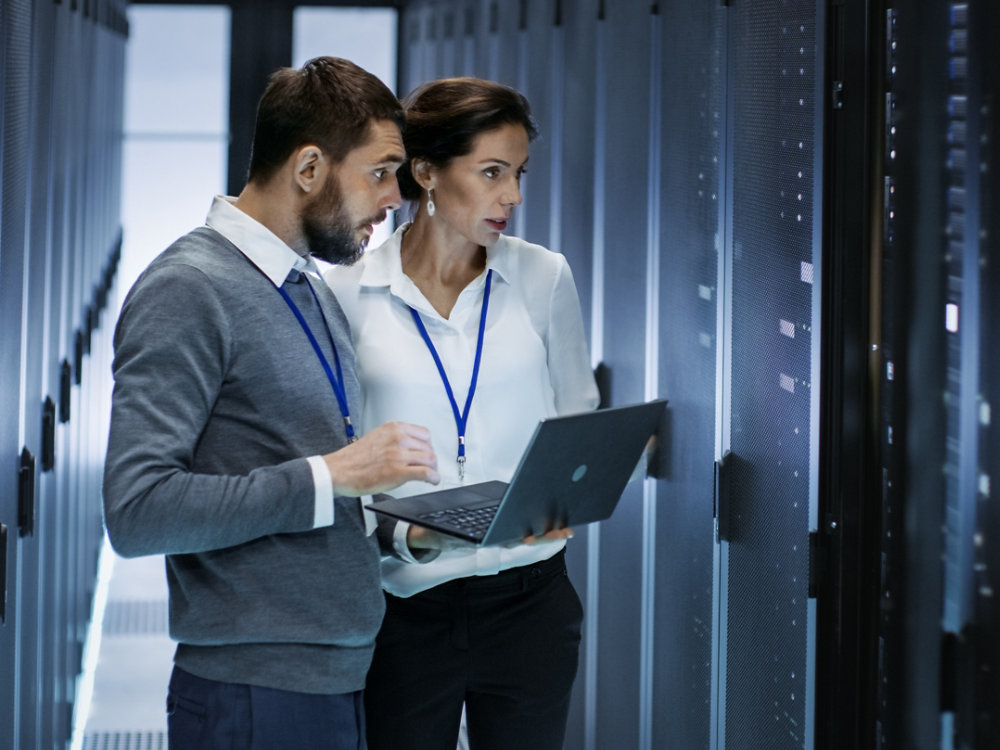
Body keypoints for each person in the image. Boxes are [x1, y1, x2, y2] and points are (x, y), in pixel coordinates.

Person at [102, 57, 441, 750]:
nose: (395, 198)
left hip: (333, 677)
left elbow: (295, 475)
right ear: (309, 168)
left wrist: (405, 531)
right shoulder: (188, 290)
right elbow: (137, 511)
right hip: (253, 696)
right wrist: (336, 474)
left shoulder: (305, 287)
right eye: (380, 172)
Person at [324, 77, 600, 750]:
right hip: (403, 608)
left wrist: (567, 495)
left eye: (518, 174)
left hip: (529, 600)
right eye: (492, 173)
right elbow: (332, 454)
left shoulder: (543, 278)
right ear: (426, 173)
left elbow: (576, 419)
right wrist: (397, 536)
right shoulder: (346, 293)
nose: (513, 196)